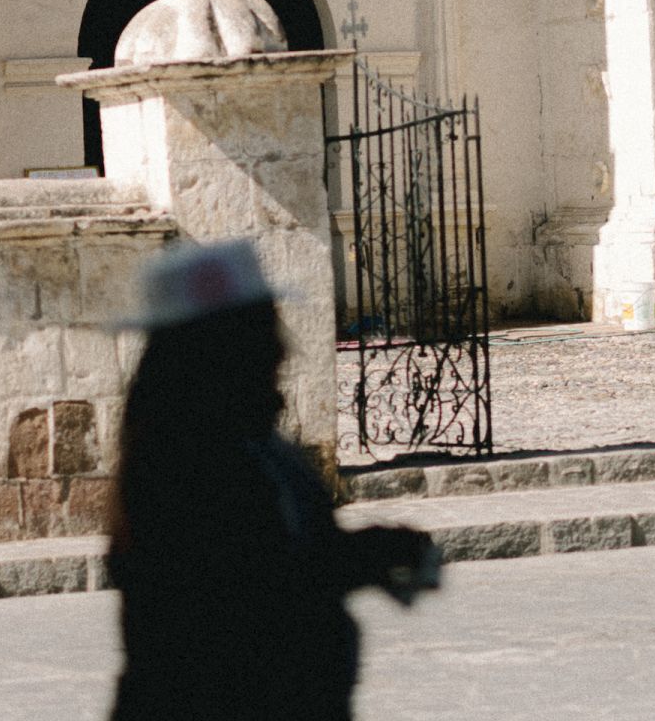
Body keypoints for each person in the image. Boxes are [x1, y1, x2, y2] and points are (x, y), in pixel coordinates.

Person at [110, 240, 439, 721]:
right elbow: (246, 599)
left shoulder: (252, 444)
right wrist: (360, 558)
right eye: (263, 330)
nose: (282, 347)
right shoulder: (186, 469)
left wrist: (361, 551)